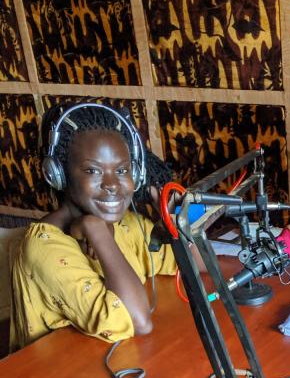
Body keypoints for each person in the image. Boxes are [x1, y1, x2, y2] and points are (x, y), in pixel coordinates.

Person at [9, 103, 177, 352]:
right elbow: (138, 321)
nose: (111, 184)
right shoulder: (44, 248)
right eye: (92, 170)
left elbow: (193, 265)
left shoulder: (126, 223)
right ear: (58, 174)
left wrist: (170, 210)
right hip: (57, 377)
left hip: (118, 362)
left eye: (122, 170)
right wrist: (96, 230)